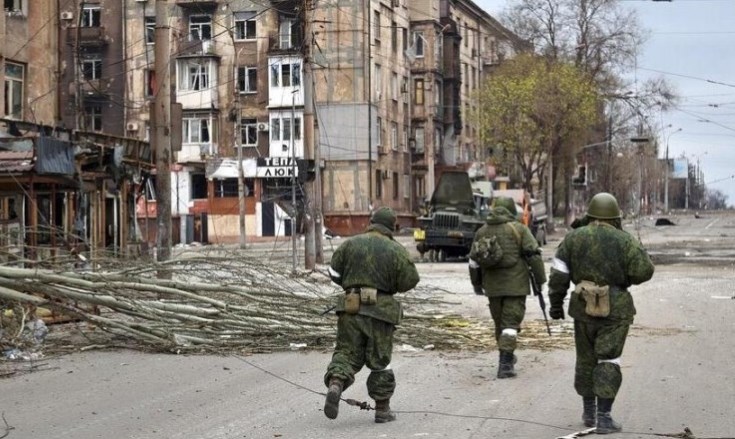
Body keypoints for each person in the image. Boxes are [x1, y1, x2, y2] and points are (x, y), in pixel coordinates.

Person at [547, 192, 654, 434]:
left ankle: (588, 411)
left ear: (590, 214)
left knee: (585, 358)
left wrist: (555, 304)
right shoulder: (624, 240)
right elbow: (644, 271)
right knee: (608, 359)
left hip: (582, 308)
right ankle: (604, 417)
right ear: (615, 216)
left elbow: (559, 274)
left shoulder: (573, 239)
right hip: (615, 310)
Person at [324, 206, 420, 423]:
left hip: (350, 306)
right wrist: (390, 286)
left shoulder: (350, 243)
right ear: (392, 226)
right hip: (380, 310)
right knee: (380, 360)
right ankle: (382, 410)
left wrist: (351, 284)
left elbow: (333, 272)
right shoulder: (396, 250)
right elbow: (410, 279)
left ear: (371, 221)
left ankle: (336, 384)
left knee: (346, 352)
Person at [469, 196, 546, 378]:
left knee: (500, 325)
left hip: (492, 287)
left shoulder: (482, 231)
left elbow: (474, 262)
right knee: (510, 325)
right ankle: (505, 365)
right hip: (516, 286)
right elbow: (534, 256)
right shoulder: (519, 229)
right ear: (512, 210)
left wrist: (477, 284)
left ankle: (507, 356)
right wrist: (540, 281)